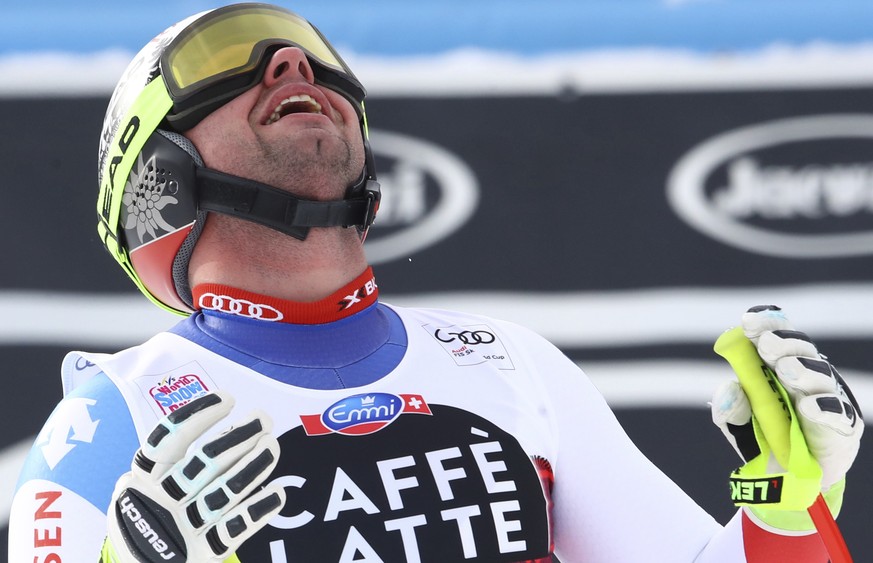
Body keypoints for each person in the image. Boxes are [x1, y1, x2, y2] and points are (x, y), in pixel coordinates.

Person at [8, 3, 864, 562]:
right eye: (226, 61)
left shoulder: (508, 364)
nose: (292, 66)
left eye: (317, 58)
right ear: (155, 170)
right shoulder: (104, 418)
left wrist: (785, 512)